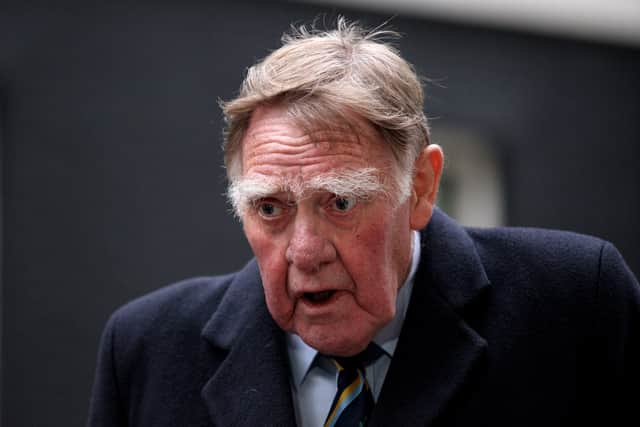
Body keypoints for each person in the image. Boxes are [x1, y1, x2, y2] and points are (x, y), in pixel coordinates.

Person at [87, 17, 639, 427]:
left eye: (341, 203)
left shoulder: (574, 304)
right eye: (270, 208)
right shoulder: (148, 349)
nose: (304, 252)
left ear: (420, 186)